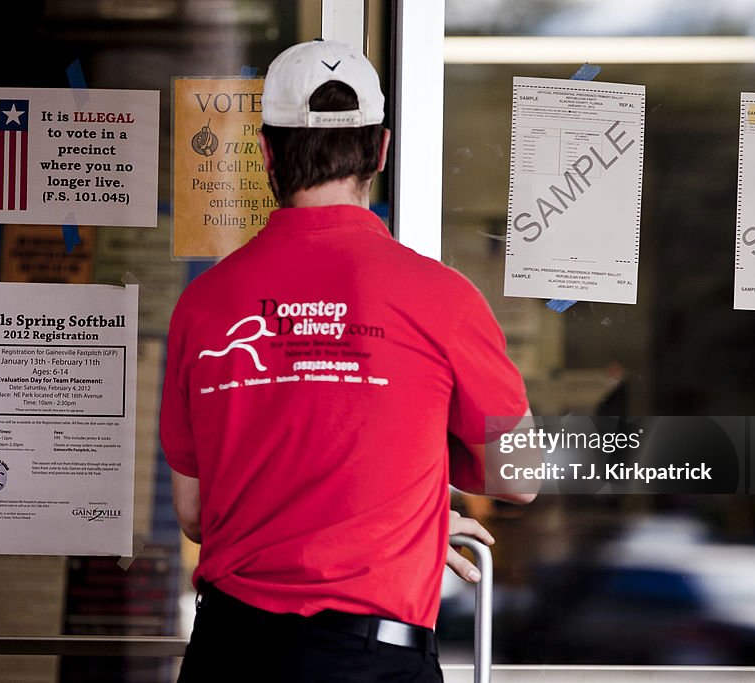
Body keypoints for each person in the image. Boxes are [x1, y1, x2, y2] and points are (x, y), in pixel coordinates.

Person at [161, 38, 532, 682]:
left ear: (268, 153)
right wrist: (400, 512)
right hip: (369, 662)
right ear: (381, 151)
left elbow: (196, 514)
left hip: (228, 655)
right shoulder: (441, 298)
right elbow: (519, 475)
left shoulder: (205, 304)